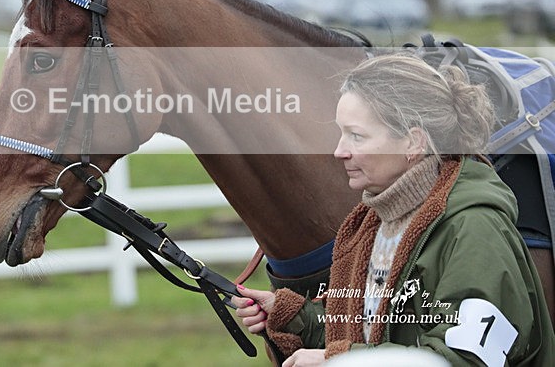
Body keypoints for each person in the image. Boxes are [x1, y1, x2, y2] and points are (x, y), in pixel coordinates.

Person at [233, 53, 555, 366]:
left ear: (414, 142)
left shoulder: (474, 228)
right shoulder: (375, 221)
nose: (339, 151)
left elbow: (465, 358)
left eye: (356, 136)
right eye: (341, 134)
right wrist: (294, 317)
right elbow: (373, 332)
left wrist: (342, 361)